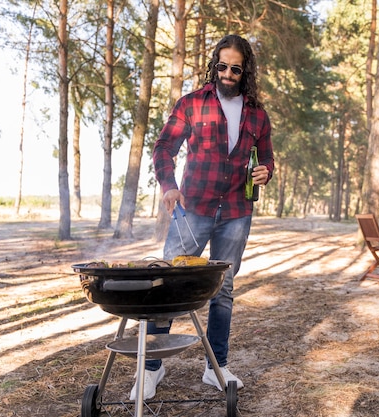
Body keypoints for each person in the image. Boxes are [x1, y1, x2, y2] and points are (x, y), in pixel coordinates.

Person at [132, 34, 275, 401]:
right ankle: (152, 368)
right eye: (223, 66)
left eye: (236, 69)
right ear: (215, 65)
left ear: (245, 72)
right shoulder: (192, 103)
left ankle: (216, 367)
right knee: (166, 282)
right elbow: (165, 146)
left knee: (223, 289)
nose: (228, 73)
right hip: (191, 207)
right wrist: (168, 184)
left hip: (236, 212)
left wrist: (266, 171)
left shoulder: (258, 114)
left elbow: (267, 158)